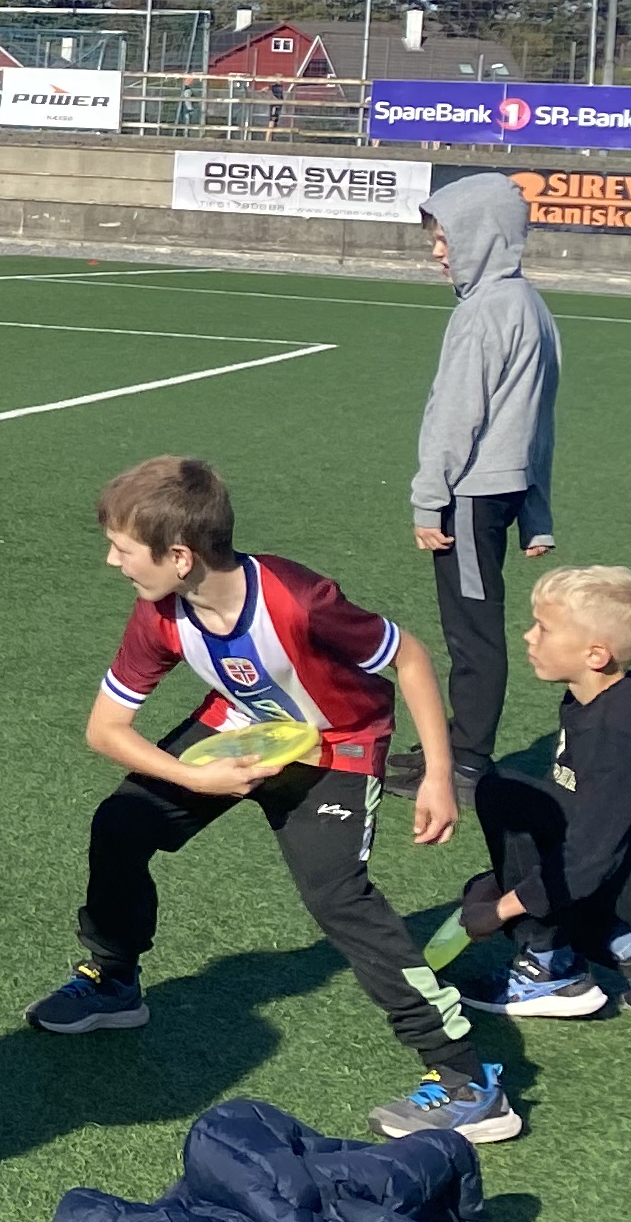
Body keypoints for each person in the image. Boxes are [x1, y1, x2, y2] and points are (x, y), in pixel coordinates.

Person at [29, 455, 520, 1146]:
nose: (113, 562)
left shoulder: (298, 599)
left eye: (122, 548)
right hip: (243, 727)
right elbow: (104, 730)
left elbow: (407, 657)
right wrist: (196, 778)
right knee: (121, 823)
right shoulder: (160, 614)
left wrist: (438, 774)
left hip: (338, 745)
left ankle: (469, 1081)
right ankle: (113, 979)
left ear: (179, 556)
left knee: (338, 898)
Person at [464, 565, 631, 1024]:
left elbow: (587, 858)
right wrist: (505, 887)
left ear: (595, 654)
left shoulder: (621, 731)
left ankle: (552, 973)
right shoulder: (591, 701)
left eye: (544, 629)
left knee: (522, 828)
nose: (529, 637)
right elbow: (573, 815)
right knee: (505, 811)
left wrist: (499, 909)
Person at [400, 175, 561, 791]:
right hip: (502, 491)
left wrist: (428, 499)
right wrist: (538, 510)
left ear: (481, 236)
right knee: (472, 626)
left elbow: (454, 418)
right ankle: (454, 746)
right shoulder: (530, 305)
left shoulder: (483, 314)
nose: (437, 251)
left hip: (469, 495)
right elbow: (539, 422)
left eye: (445, 239)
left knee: (472, 632)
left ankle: (464, 760)